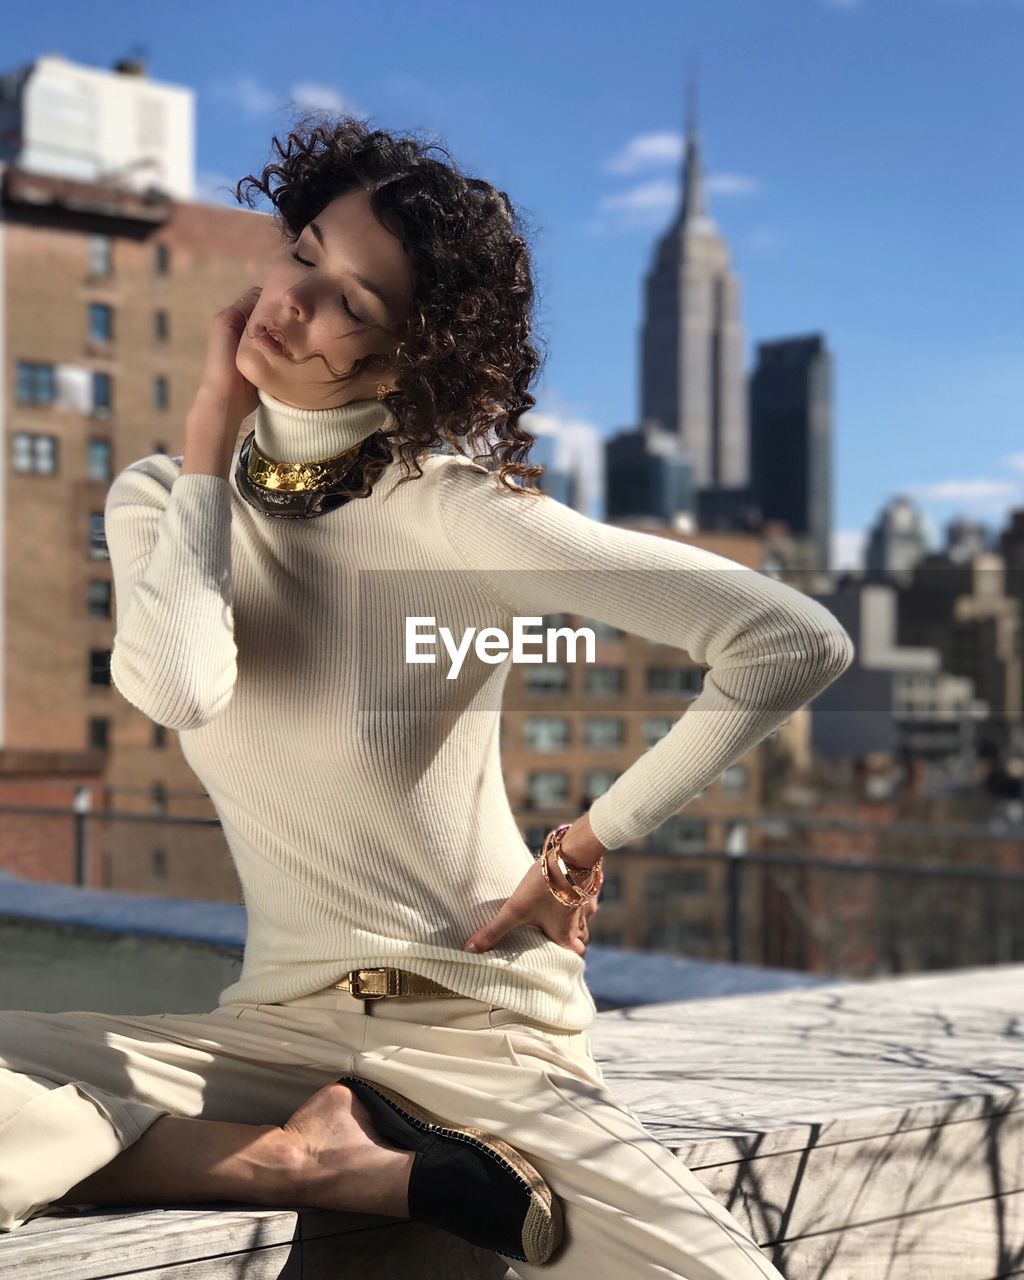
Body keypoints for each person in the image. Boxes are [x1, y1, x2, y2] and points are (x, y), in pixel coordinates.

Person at [0, 115, 854, 1277]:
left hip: (480, 1031)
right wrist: (210, 434)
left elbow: (788, 639)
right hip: (275, 1035)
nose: (295, 304)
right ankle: (305, 1162)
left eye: (354, 301)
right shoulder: (163, 499)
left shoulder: (449, 510)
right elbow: (183, 683)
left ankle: (379, 1158)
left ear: (412, 355)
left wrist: (584, 842)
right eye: (304, 255)